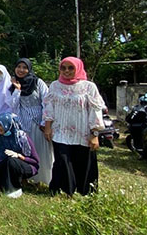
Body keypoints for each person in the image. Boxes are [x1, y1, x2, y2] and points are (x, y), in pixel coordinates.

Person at [43, 57, 105, 196]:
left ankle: (85, 192)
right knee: (62, 161)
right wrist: (47, 127)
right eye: (63, 68)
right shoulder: (55, 85)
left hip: (82, 132)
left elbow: (95, 110)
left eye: (70, 68)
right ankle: (65, 191)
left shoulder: (89, 87)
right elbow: (49, 107)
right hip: (60, 132)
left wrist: (94, 134)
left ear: (78, 68)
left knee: (83, 163)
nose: (66, 71)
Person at [7, 57, 52, 185]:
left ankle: (44, 179)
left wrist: (45, 123)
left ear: (29, 69)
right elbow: (13, 106)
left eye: (24, 67)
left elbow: (47, 102)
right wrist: (17, 90)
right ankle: (27, 177)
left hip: (39, 123)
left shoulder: (38, 83)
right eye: (18, 67)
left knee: (41, 151)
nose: (21, 70)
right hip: (24, 123)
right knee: (26, 152)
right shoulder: (12, 85)